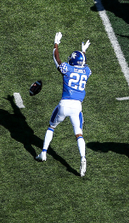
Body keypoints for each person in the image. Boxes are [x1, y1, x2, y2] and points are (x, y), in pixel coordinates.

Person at [36, 32, 92, 177]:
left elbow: (57, 59)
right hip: (77, 107)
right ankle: (83, 158)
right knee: (79, 134)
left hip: (64, 104)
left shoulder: (68, 69)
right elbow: (83, 64)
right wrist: (83, 51)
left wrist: (56, 44)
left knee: (51, 126)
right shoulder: (86, 71)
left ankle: (43, 153)